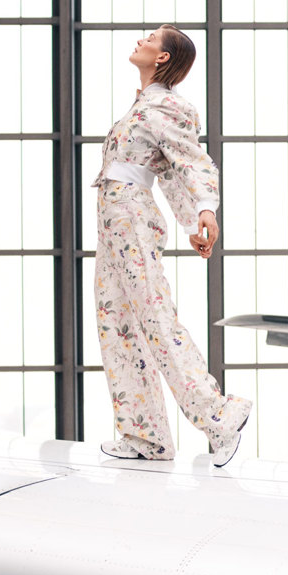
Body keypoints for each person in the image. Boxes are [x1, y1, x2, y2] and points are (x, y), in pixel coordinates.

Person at [93, 24, 252, 465]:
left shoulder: (169, 106)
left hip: (130, 217)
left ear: (162, 57)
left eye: (149, 39)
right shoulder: (143, 105)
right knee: (116, 323)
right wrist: (190, 221)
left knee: (156, 319)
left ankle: (221, 417)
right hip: (113, 219)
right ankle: (147, 437)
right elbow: (164, 169)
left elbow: (191, 161)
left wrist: (205, 210)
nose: (140, 41)